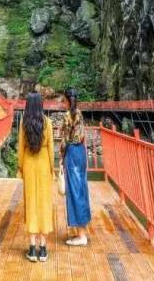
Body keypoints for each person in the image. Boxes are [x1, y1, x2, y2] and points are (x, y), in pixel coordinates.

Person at [17, 91, 54, 263]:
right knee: (44, 204)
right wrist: (52, 169)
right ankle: (43, 248)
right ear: (40, 105)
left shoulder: (23, 124)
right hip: (44, 164)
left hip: (30, 165)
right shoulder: (48, 123)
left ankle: (32, 249)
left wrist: (20, 168)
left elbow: (21, 149)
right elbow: (52, 149)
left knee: (31, 203)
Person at [60, 87, 91, 245]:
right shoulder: (79, 113)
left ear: (66, 100)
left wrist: (61, 155)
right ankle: (83, 229)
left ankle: (81, 236)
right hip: (81, 152)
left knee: (74, 192)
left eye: (63, 100)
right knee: (81, 190)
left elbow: (65, 139)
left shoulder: (67, 116)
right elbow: (82, 134)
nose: (62, 103)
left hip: (71, 153)